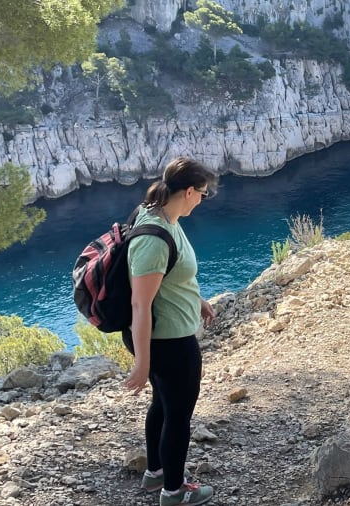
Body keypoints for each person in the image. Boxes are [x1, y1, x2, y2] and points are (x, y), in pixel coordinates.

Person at [122, 156, 218, 506]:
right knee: (178, 416)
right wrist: (143, 362)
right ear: (189, 191)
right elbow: (140, 304)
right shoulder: (154, 236)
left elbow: (171, 277)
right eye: (202, 194)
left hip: (167, 335)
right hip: (168, 341)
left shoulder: (163, 216)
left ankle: (156, 474)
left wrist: (198, 299)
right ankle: (174, 492)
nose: (201, 201)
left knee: (162, 403)